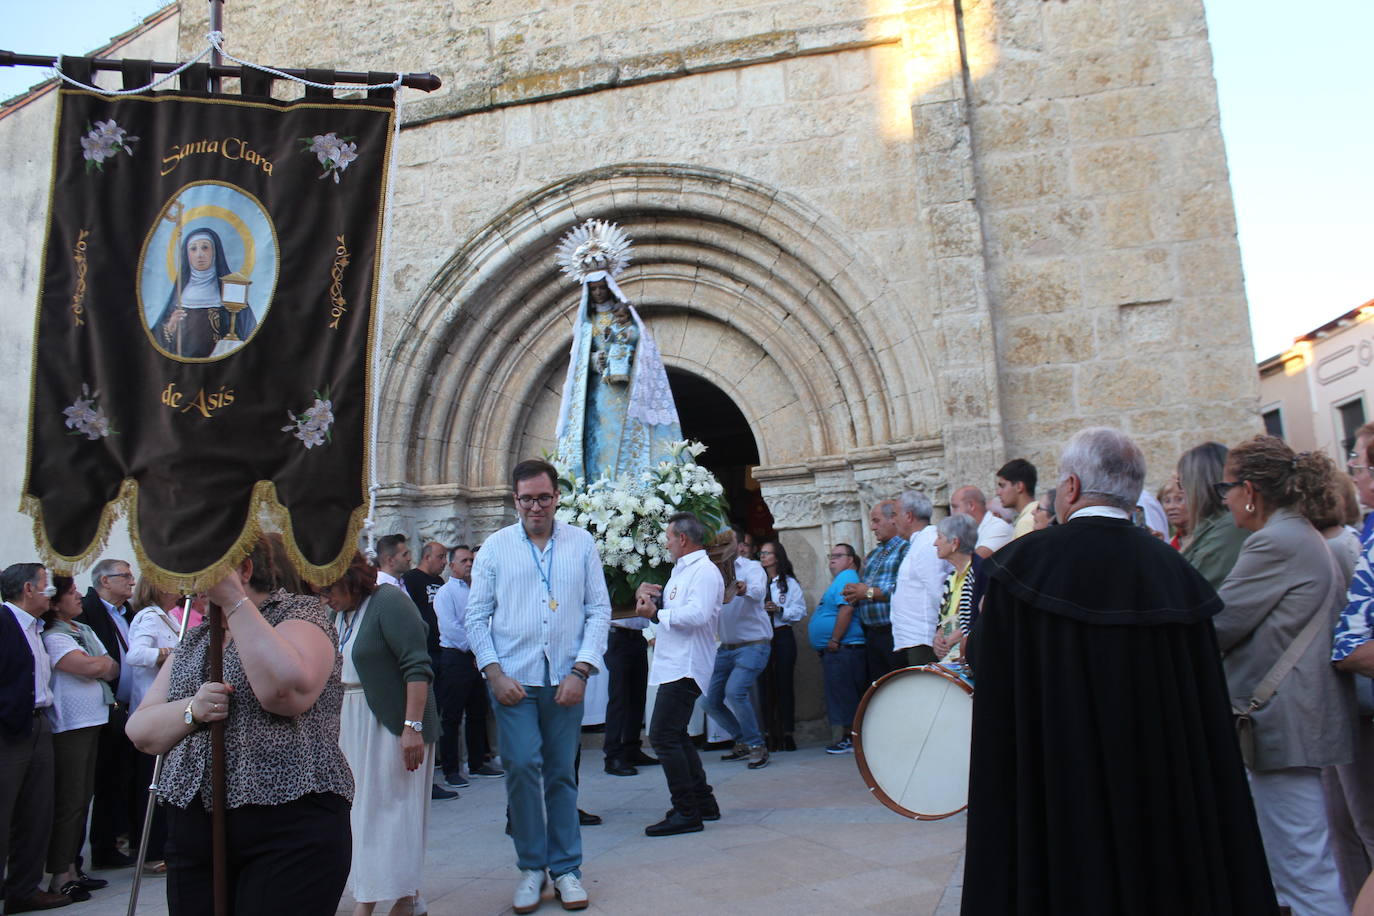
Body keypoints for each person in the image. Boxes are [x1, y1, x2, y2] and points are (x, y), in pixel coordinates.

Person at [963, 427, 1277, 914]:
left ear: (1069, 488)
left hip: (1055, 787)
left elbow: (986, 662)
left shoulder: (1021, 567)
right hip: (1160, 796)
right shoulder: (1175, 574)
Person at [126, 535, 353, 916]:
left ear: (244, 569)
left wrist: (233, 601)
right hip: (194, 828)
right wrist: (192, 710)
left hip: (288, 825)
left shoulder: (298, 616)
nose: (189, 587)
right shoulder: (197, 638)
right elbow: (142, 732)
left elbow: (284, 693)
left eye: (199, 574)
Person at [1214, 436, 1356, 915]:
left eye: (1227, 487)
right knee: (1302, 863)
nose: (1225, 497)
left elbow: (1218, 624)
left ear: (1250, 489)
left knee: (1302, 872)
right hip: (1294, 716)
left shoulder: (1275, 540)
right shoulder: (1295, 534)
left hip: (1283, 721)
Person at [465, 458, 610, 914]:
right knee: (524, 766)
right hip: (514, 682)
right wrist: (494, 673)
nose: (535, 506)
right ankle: (532, 868)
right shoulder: (495, 547)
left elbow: (598, 610)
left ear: (556, 497)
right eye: (527, 499)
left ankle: (566, 870)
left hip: (564, 681)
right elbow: (475, 616)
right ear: (515, 500)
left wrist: (581, 670)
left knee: (562, 773)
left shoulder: (581, 543)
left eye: (543, 497)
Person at [322, 552, 440, 916]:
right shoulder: (339, 612)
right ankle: (404, 895)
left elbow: (417, 666)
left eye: (330, 588)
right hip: (352, 719)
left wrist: (412, 728)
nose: (325, 596)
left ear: (351, 578)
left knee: (390, 810)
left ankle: (375, 902)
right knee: (361, 812)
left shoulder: (389, 601)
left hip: (392, 719)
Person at [553, 230, 683, 484]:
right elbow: (579, 362)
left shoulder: (624, 316)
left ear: (610, 288)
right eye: (594, 288)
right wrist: (593, 362)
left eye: (603, 287)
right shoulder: (586, 324)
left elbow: (639, 341)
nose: (599, 292)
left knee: (626, 434)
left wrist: (625, 332)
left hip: (625, 391)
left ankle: (630, 480)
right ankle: (600, 483)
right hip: (599, 395)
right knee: (600, 438)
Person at [633, 512, 726, 837]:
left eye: (669, 537)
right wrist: (652, 599)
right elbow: (678, 608)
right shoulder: (683, 572)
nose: (666, 543)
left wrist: (657, 612)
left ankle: (687, 812)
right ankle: (703, 802)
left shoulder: (703, 571)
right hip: (675, 661)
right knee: (675, 734)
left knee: (663, 735)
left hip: (687, 664)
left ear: (683, 539)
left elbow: (698, 614)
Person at [2, 563, 75, 913]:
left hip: (39, 724)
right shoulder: (4, 622)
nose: (52, 593)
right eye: (46, 585)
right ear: (28, 589)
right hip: (10, 730)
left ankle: (22, 890)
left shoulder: (37, 627)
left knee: (37, 812)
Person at [42, 575, 118, 903]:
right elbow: (82, 665)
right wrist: (96, 665)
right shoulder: (54, 635)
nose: (78, 598)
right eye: (71, 593)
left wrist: (97, 665)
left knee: (83, 796)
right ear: (55, 602)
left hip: (94, 718)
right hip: (70, 723)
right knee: (70, 800)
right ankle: (60, 872)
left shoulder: (82, 630)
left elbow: (111, 666)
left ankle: (74, 867)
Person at [126, 581, 195, 875]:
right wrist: (171, 654)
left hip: (171, 708)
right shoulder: (149, 617)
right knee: (151, 785)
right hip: (153, 705)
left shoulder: (169, 616)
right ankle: (152, 851)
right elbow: (136, 655)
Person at [76, 558, 139, 870]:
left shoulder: (128, 612)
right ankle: (84, 853)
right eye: (125, 576)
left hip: (124, 709)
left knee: (117, 779)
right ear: (104, 581)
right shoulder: (87, 610)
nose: (132, 581)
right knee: (96, 781)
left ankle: (108, 846)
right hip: (99, 709)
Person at [433, 545, 502, 789]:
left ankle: (477, 762)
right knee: (452, 715)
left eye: (471, 560)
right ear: (452, 565)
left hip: (477, 656)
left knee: (477, 710)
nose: (469, 564)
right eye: (464, 561)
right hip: (456, 657)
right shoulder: (445, 593)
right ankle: (452, 768)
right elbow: (451, 628)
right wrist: (477, 646)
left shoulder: (479, 589)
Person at [704, 529, 771, 770]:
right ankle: (742, 740)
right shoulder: (710, 571)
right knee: (708, 701)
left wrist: (742, 589)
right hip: (726, 647)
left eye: (727, 544)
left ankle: (756, 745)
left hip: (753, 645)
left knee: (734, 692)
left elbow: (758, 591)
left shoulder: (751, 568)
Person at [400, 541, 459, 801]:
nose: (444, 562)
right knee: (425, 713)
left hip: (441, 652)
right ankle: (425, 777)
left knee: (442, 712)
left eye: (446, 557)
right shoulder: (412, 580)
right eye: (441, 556)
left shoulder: (442, 584)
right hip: (421, 655)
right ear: (426, 557)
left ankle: (439, 769)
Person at [153, 228, 257, 359]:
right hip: (184, 368)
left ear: (214, 252)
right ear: (187, 254)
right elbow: (157, 340)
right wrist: (170, 326)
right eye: (193, 249)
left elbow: (248, 330)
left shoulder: (231, 289)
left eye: (205, 247)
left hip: (223, 367)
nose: (200, 254)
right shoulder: (179, 294)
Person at [841, 501, 910, 682]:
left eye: (877, 521)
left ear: (893, 519)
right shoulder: (874, 554)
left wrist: (868, 593)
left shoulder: (906, 548)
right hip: (872, 634)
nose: (872, 527)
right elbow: (866, 588)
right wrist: (855, 593)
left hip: (894, 632)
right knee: (879, 687)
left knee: (899, 684)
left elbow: (904, 589)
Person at [807, 544, 865, 755]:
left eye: (838, 556)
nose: (832, 559)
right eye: (831, 556)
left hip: (842, 648)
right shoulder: (840, 580)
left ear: (851, 560)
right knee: (841, 694)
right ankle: (848, 737)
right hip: (839, 649)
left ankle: (851, 739)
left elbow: (847, 609)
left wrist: (834, 639)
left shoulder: (848, 577)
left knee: (845, 695)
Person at [1178, 441, 1249, 588]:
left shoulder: (1230, 528)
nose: (1181, 492)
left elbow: (1191, 588)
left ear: (1196, 486)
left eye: (1181, 484)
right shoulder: (1214, 526)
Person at [889, 491, 946, 667]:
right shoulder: (919, 542)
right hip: (916, 638)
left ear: (908, 516)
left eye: (895, 514)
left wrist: (943, 630)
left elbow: (938, 590)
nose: (893, 520)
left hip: (926, 638)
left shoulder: (928, 542)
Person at [758, 540, 804, 752]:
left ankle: (787, 733)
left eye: (767, 553)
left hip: (782, 634)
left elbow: (799, 611)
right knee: (765, 685)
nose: (763, 557)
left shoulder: (788, 583)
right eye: (761, 553)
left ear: (777, 557)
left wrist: (779, 609)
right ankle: (769, 733)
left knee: (784, 684)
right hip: (763, 637)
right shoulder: (757, 582)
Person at [930, 514, 981, 666]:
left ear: (954, 543)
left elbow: (981, 617)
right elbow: (946, 616)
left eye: (939, 537)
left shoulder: (980, 573)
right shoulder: (952, 577)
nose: (935, 543)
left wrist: (956, 636)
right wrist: (939, 638)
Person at [949, 486, 1013, 558]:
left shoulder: (998, 527)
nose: (952, 514)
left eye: (955, 507)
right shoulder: (970, 530)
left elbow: (972, 563)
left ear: (971, 505)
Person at [995, 458, 1038, 538]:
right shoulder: (1035, 514)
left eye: (1003, 486)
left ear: (1019, 486)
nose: (998, 493)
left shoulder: (1026, 522)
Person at [1159, 475, 1189, 549]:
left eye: (1179, 499)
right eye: (1167, 501)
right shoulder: (1171, 543)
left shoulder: (1205, 538)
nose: (1171, 507)